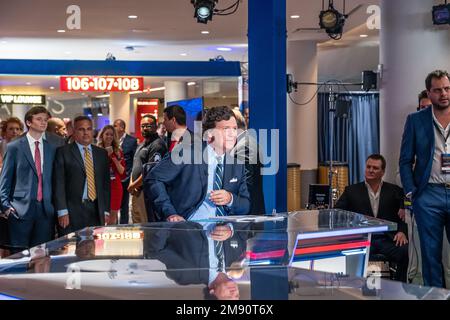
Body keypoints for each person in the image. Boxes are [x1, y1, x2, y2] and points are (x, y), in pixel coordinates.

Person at [147, 106, 250, 222]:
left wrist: (230, 199)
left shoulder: (237, 164)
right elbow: (153, 179)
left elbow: (245, 205)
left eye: (235, 129)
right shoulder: (187, 153)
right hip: (188, 231)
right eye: (226, 129)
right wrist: (170, 213)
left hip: (224, 233)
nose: (232, 134)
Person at [399, 69, 450, 288]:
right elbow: (404, 160)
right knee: (430, 256)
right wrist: (412, 192)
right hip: (428, 195)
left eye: (447, 88)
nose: (444, 94)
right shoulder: (416, 120)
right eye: (438, 90)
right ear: (429, 93)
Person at [335, 154, 409, 282]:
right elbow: (336, 214)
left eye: (375, 168)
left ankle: (398, 286)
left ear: (383, 172)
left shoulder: (395, 191)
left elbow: (403, 216)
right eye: (368, 167)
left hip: (387, 239)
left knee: (405, 251)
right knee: (348, 253)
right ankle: (354, 286)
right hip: (362, 239)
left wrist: (402, 231)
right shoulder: (351, 191)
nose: (370, 170)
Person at [0, 106, 56, 253]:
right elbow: (5, 180)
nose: (43, 122)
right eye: (39, 119)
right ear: (29, 123)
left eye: (45, 120)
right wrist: (5, 207)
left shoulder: (51, 148)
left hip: (45, 211)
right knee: (18, 258)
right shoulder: (15, 147)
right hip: (19, 210)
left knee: (42, 257)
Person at [53, 116, 111, 235]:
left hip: (96, 209)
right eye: (81, 129)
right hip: (72, 210)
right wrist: (62, 211)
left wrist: (105, 211)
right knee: (71, 248)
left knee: (93, 248)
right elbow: (59, 183)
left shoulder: (101, 154)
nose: (86, 133)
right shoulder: (63, 152)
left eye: (89, 129)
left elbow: (105, 185)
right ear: (73, 132)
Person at [128, 114, 167, 223]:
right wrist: (132, 183)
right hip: (136, 191)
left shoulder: (157, 145)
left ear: (155, 127)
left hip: (147, 193)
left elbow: (151, 172)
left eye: (148, 126)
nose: (145, 128)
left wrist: (133, 185)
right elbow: (136, 165)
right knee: (137, 224)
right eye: (142, 126)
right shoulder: (141, 144)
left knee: (146, 226)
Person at [230, 108, 265, 215]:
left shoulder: (244, 146)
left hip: (247, 215)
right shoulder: (247, 142)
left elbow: (246, 184)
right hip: (251, 213)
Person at [97, 125, 126, 225]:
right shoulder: (96, 150)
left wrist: (112, 156)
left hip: (115, 187)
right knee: (101, 217)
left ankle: (110, 239)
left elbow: (122, 171)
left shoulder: (118, 152)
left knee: (112, 218)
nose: (109, 137)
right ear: (102, 135)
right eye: (107, 134)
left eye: (111, 135)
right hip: (100, 187)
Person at [113, 119, 138, 225]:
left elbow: (134, 159)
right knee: (114, 205)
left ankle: (123, 227)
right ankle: (113, 227)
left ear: (122, 128)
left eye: (115, 126)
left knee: (124, 205)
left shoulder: (131, 141)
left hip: (125, 178)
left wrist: (130, 176)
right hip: (113, 178)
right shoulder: (112, 140)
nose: (113, 127)